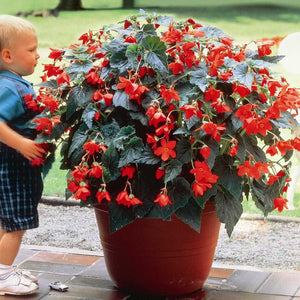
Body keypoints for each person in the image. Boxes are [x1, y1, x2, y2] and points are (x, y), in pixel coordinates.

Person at [0, 15, 46, 295]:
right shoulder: (9, 87)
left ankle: (1, 268)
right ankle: (3, 274)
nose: (37, 55)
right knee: (15, 226)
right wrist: (21, 144)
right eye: (30, 50)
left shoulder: (12, 83)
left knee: (4, 222)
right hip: (12, 170)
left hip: (9, 169)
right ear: (7, 55)